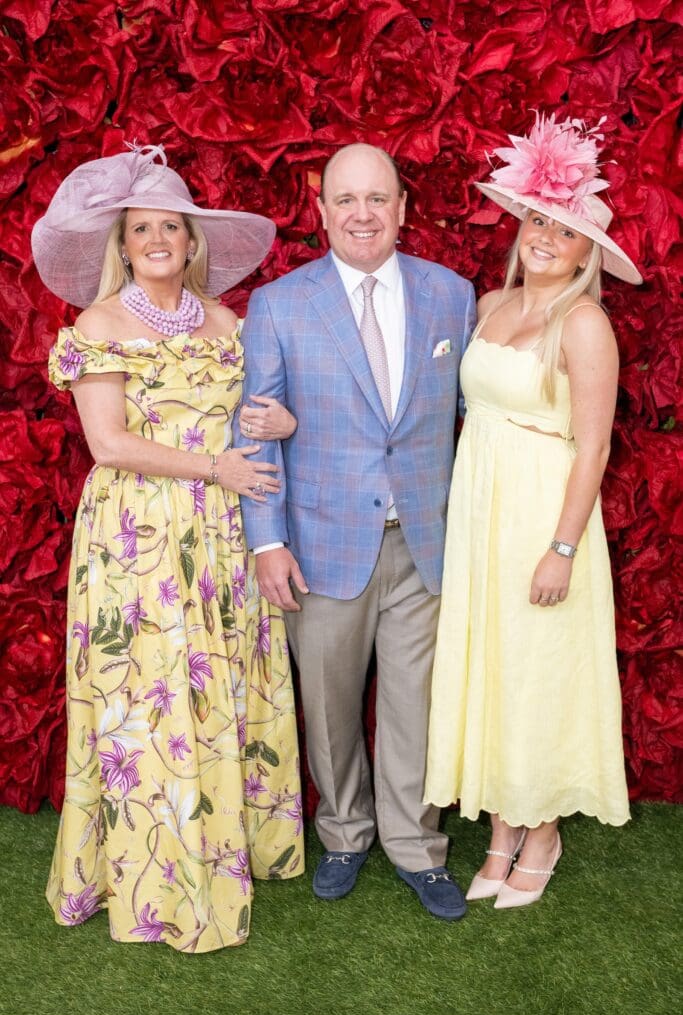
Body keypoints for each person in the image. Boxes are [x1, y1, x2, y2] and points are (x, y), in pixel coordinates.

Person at [31, 144, 304, 953]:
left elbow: (254, 418)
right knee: (150, 698)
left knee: (216, 685)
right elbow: (109, 444)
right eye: (140, 228)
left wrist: (274, 426)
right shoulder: (100, 325)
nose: (156, 240)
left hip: (222, 536)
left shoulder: (227, 322)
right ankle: (154, 868)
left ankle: (227, 846)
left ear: (192, 243)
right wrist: (214, 467)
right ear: (122, 244)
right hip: (136, 539)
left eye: (170, 227)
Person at [238, 143, 476, 920]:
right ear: (321, 212)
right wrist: (267, 541)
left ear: (403, 207)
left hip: (424, 542)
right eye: (346, 200)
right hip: (320, 545)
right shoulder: (279, 305)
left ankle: (415, 844)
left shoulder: (450, 296)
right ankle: (344, 833)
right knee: (330, 705)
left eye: (378, 198)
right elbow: (255, 433)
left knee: (416, 701)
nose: (363, 213)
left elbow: (474, 418)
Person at [424, 113, 641, 909]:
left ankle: (539, 829)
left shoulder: (584, 324)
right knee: (491, 666)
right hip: (479, 511)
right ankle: (502, 829)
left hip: (540, 518)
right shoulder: (490, 302)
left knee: (535, 673)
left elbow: (591, 449)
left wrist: (560, 546)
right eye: (539, 221)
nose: (548, 238)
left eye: (567, 230)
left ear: (588, 253)